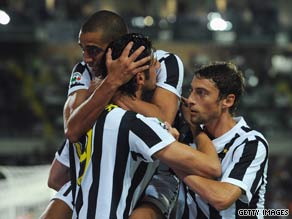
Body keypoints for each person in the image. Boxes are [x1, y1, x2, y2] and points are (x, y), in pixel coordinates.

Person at [68, 32, 221, 219]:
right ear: (140, 78)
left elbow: (56, 177)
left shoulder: (88, 119)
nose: (157, 66)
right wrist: (196, 129)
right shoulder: (134, 124)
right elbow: (211, 167)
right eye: (153, 63)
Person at [40, 10, 151, 219]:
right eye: (83, 49)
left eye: (93, 50)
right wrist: (113, 82)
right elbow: (72, 128)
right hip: (91, 144)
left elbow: (163, 114)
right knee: (55, 178)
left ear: (117, 47)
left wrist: (104, 91)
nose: (86, 58)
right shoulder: (83, 70)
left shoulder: (153, 64)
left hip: (137, 160)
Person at [171, 62, 269, 219]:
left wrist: (175, 163)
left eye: (201, 93)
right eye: (192, 91)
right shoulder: (186, 136)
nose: (190, 100)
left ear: (228, 101)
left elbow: (222, 198)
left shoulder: (250, 142)